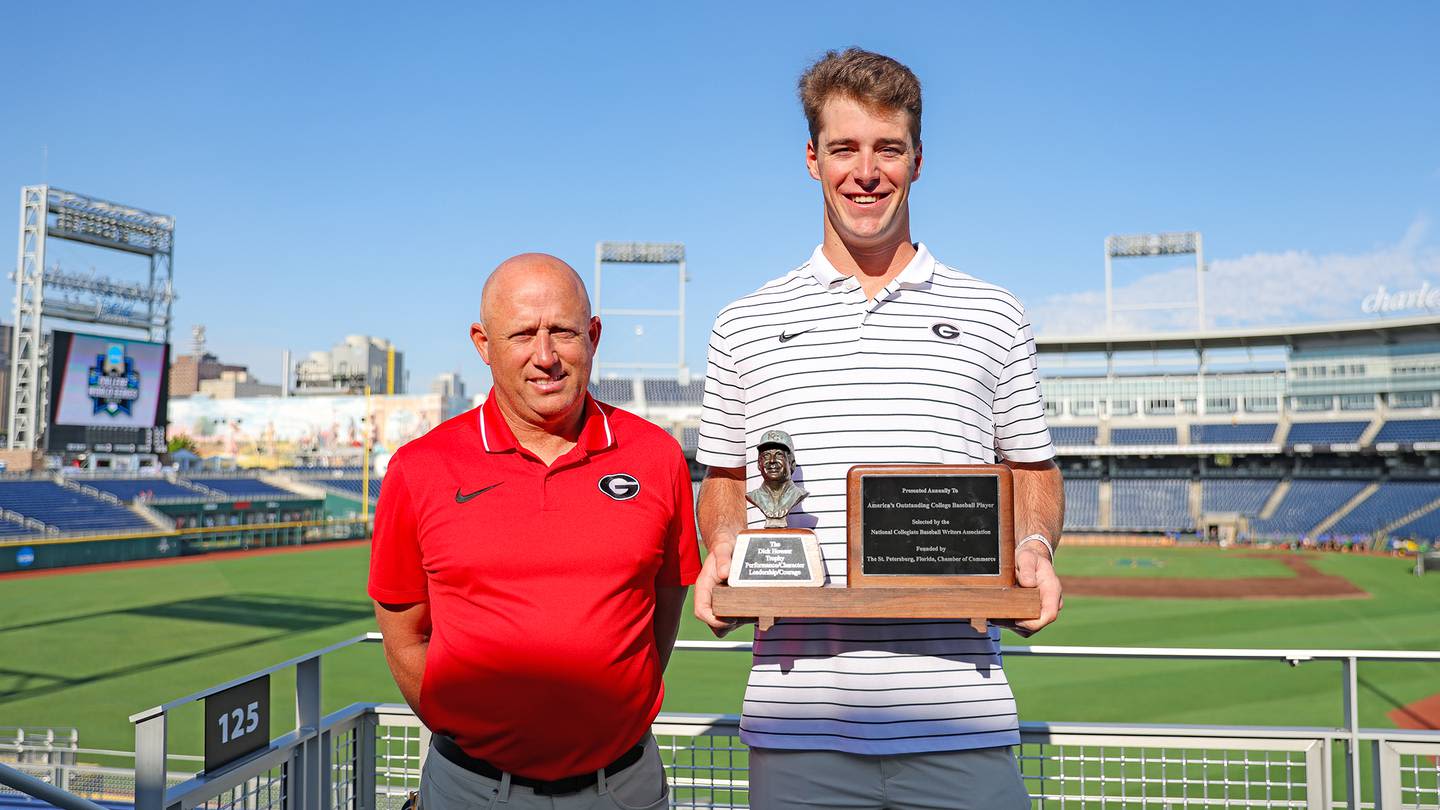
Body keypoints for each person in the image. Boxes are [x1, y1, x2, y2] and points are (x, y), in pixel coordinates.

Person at [692, 49, 1065, 809]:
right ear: (812, 159)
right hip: (799, 727)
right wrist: (723, 547)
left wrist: (1033, 548)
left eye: (887, 148)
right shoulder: (744, 322)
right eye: (845, 148)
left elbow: (1032, 469)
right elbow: (725, 481)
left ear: (918, 160)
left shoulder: (994, 313)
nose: (867, 171)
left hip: (960, 717)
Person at [368, 253, 700, 810]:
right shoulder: (420, 467)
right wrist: (482, 738)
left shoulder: (656, 455)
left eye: (563, 332)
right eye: (523, 334)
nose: (545, 357)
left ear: (593, 336)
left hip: (623, 787)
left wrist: (605, 717)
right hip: (473, 791)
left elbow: (664, 609)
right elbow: (403, 638)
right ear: (483, 343)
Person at [746, 430, 808, 526]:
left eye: (779, 454)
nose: (772, 460)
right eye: (766, 455)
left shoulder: (798, 494)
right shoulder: (754, 496)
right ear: (759, 464)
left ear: (792, 464)